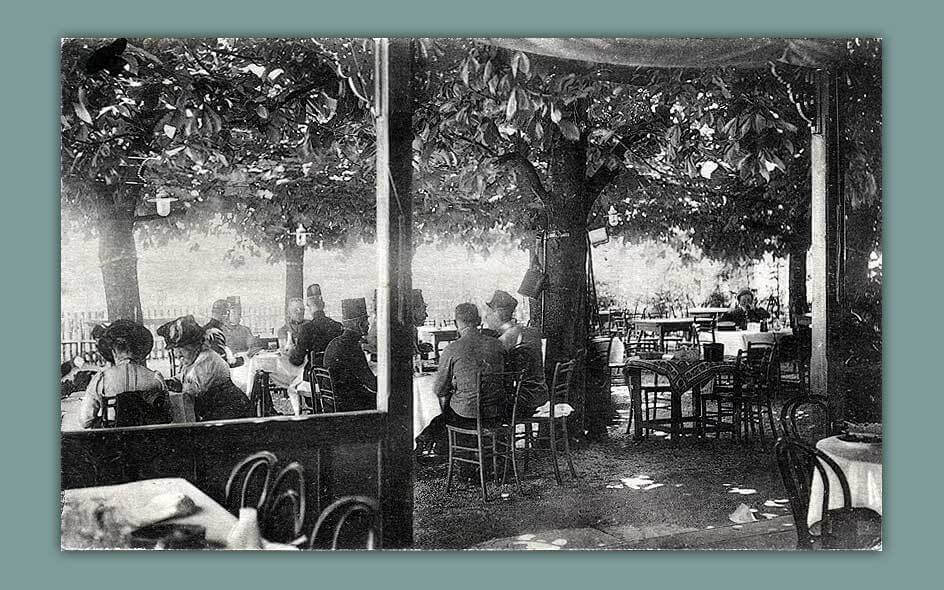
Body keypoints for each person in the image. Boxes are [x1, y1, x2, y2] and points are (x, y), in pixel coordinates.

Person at [158, 315, 252, 422]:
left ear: (195, 345)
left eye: (181, 349)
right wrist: (170, 382)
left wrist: (169, 388)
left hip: (231, 414)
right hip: (215, 413)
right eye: (174, 349)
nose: (177, 354)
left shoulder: (207, 361)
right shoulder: (194, 358)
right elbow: (185, 377)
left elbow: (191, 392)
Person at [79, 319, 170, 429]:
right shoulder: (156, 378)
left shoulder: (101, 379)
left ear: (113, 351)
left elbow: (85, 420)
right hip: (147, 441)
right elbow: (168, 416)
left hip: (112, 441)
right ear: (138, 351)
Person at [433, 303, 506, 429]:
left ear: (456, 323)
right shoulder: (498, 345)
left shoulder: (451, 349)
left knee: (444, 414)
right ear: (479, 321)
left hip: (466, 416)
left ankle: (445, 445)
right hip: (496, 413)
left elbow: (439, 389)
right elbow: (507, 381)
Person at [483, 289, 548, 415]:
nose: (486, 316)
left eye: (489, 312)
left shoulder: (502, 341)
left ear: (498, 313)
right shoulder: (532, 332)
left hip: (522, 402)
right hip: (541, 395)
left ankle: (497, 434)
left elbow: (496, 378)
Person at [324, 298, 377, 412]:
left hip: (334, 402)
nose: (368, 324)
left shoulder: (335, 342)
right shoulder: (351, 347)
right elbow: (372, 384)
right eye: (365, 321)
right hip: (350, 404)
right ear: (358, 324)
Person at [288, 284, 343, 367]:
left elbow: (297, 361)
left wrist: (292, 351)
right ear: (323, 305)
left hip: (316, 376)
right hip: (335, 375)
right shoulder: (337, 326)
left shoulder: (307, 328)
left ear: (308, 307)